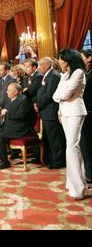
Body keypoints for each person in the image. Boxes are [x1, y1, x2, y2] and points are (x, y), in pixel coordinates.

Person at [53, 49, 88, 200]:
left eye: (61, 59)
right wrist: (62, 99)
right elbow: (56, 95)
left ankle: (78, 188)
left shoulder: (79, 72)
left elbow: (65, 94)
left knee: (72, 147)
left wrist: (63, 95)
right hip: (65, 113)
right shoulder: (66, 74)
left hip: (75, 112)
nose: (59, 62)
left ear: (69, 59)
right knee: (73, 147)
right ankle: (76, 183)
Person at [0, 83, 35, 170]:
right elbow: (4, 110)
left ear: (15, 92)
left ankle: (4, 161)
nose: (6, 92)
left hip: (19, 128)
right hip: (8, 126)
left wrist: (7, 113)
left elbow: (21, 115)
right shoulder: (9, 99)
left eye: (8, 90)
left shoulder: (24, 100)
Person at [35, 58, 66, 168]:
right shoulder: (48, 75)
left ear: (47, 65)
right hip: (46, 111)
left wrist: (38, 104)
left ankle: (58, 161)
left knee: (55, 138)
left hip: (50, 111)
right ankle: (52, 158)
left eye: (40, 65)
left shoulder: (53, 75)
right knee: (50, 137)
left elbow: (49, 95)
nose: (38, 67)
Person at [80, 50, 92, 183]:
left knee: (87, 144)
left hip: (88, 112)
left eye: (82, 57)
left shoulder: (89, 74)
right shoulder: (86, 73)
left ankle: (90, 174)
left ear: (89, 58)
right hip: (87, 111)